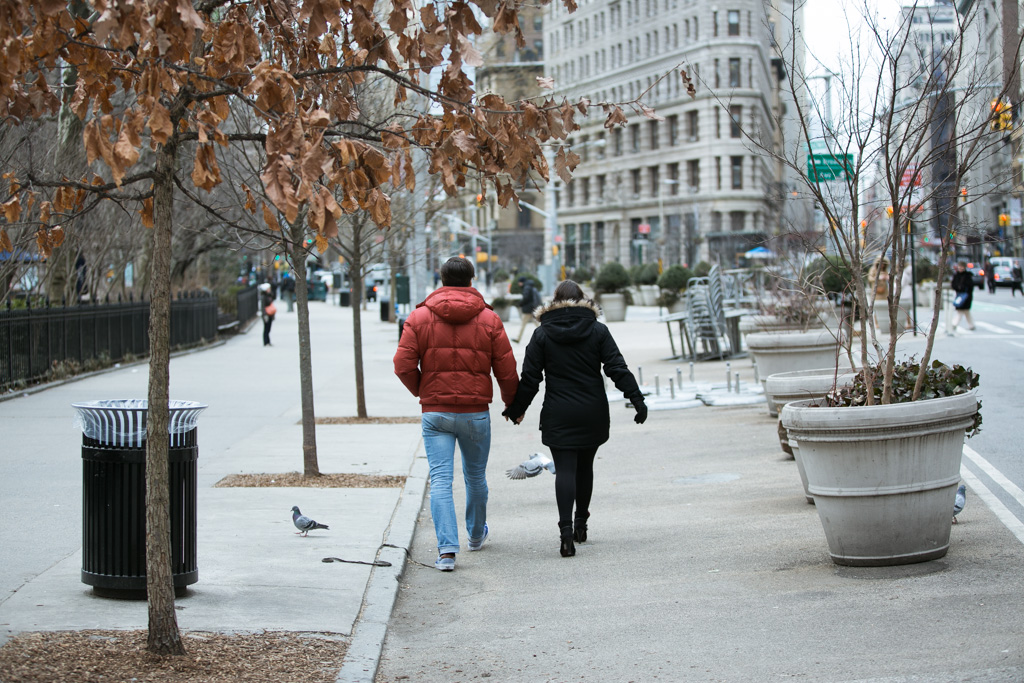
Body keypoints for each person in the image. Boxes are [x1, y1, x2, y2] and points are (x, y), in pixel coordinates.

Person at [502, 280, 648, 558]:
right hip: (592, 410)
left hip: (559, 411)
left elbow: (531, 378)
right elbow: (616, 367)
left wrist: (517, 408)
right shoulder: (598, 330)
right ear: (583, 300)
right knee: (585, 467)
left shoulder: (542, 334)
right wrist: (636, 399)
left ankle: (566, 534)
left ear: (554, 301)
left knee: (565, 470)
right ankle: (581, 525)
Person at [393, 256, 519, 572]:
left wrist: (423, 390)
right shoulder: (490, 319)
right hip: (475, 412)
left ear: (441, 278)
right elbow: (506, 368)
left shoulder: (419, 317)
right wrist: (512, 405)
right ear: (472, 279)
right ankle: (476, 536)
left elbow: (402, 364)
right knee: (475, 476)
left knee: (440, 480)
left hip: (435, 414)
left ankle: (447, 552)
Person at [513, 276, 542, 343]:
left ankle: (518, 338)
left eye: (519, 282)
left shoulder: (526, 288)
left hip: (527, 309)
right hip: (531, 308)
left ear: (521, 282)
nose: (518, 284)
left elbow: (526, 298)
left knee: (524, 324)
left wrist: (520, 303)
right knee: (536, 323)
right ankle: (546, 333)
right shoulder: (529, 286)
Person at [950, 261, 976, 333]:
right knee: (963, 311)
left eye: (962, 267)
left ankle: (955, 324)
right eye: (959, 267)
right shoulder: (956, 275)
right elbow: (953, 285)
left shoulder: (968, 276)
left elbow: (970, 286)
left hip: (966, 295)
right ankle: (971, 325)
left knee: (963, 310)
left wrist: (963, 288)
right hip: (959, 295)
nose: (960, 268)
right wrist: (958, 288)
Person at [259, 282, 276, 346]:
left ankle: (268, 341)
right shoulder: (263, 297)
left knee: (268, 328)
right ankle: (266, 342)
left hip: (270, 314)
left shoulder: (269, 295)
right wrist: (264, 315)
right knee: (266, 328)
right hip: (266, 314)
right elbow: (262, 307)